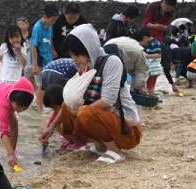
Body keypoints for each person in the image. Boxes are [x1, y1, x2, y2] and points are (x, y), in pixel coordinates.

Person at [39, 24, 142, 163]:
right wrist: (51, 127)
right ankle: (100, 146)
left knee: (84, 112)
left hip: (128, 131)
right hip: (110, 121)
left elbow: (107, 101)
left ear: (89, 48)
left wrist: (80, 111)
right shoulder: (86, 67)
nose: (74, 59)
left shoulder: (111, 62)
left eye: (77, 54)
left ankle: (115, 150)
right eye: (71, 55)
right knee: (67, 107)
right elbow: (69, 102)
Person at [0, 77, 34, 167]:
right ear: (12, 100)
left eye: (25, 107)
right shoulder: (3, 105)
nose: (21, 110)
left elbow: (17, 105)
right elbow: (4, 131)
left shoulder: (18, 96)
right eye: (19, 106)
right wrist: (10, 154)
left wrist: (12, 152)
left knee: (14, 122)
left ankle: (13, 150)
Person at [26, 3, 60, 113]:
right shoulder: (37, 28)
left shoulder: (50, 26)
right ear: (45, 17)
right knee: (41, 85)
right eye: (53, 20)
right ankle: (40, 109)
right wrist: (35, 65)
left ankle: (36, 104)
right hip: (39, 60)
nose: (53, 22)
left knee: (42, 84)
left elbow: (50, 39)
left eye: (55, 20)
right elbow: (33, 47)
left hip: (48, 59)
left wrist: (53, 50)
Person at [132, 28, 162, 96]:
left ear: (145, 38)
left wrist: (147, 56)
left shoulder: (154, 43)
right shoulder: (150, 43)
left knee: (150, 86)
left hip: (153, 69)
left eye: (141, 42)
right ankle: (148, 96)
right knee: (147, 84)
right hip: (150, 68)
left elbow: (159, 54)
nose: (141, 44)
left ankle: (152, 99)